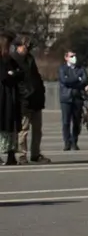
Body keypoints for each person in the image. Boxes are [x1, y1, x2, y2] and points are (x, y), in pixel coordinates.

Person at [11, 34, 50, 164]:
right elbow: (16, 80)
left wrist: (41, 90)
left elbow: (35, 76)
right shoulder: (13, 59)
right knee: (23, 129)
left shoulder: (30, 58)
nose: (27, 47)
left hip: (36, 99)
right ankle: (22, 155)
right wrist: (24, 93)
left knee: (37, 129)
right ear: (18, 46)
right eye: (25, 45)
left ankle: (35, 153)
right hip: (24, 100)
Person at [0, 33, 24, 166]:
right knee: (3, 124)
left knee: (12, 126)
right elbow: (4, 76)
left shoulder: (10, 60)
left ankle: (11, 155)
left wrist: (13, 74)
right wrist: (13, 74)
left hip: (12, 96)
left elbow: (21, 73)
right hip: (3, 96)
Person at [58, 50, 88, 151]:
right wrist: (77, 79)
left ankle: (75, 141)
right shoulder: (62, 68)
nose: (73, 58)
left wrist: (75, 80)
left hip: (77, 98)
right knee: (66, 121)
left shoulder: (81, 69)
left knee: (76, 121)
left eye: (74, 56)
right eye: (71, 56)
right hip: (66, 98)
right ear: (66, 58)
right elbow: (65, 81)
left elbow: (85, 81)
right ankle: (67, 142)